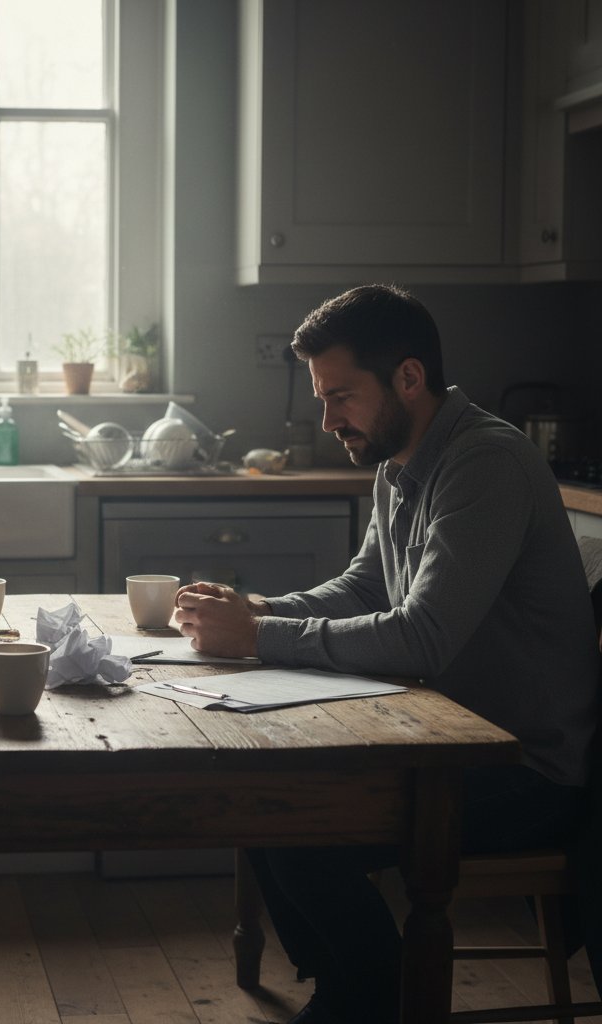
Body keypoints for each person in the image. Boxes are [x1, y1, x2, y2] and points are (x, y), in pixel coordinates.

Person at [174, 284, 599, 1024]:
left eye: (342, 396)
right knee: (264, 792)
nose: (328, 418)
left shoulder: (485, 462)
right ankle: (353, 982)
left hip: (523, 767)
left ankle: (373, 992)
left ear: (408, 377)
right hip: (445, 739)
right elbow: (366, 585)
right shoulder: (400, 458)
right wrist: (259, 610)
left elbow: (421, 634)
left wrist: (256, 637)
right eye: (322, 397)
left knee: (296, 817)